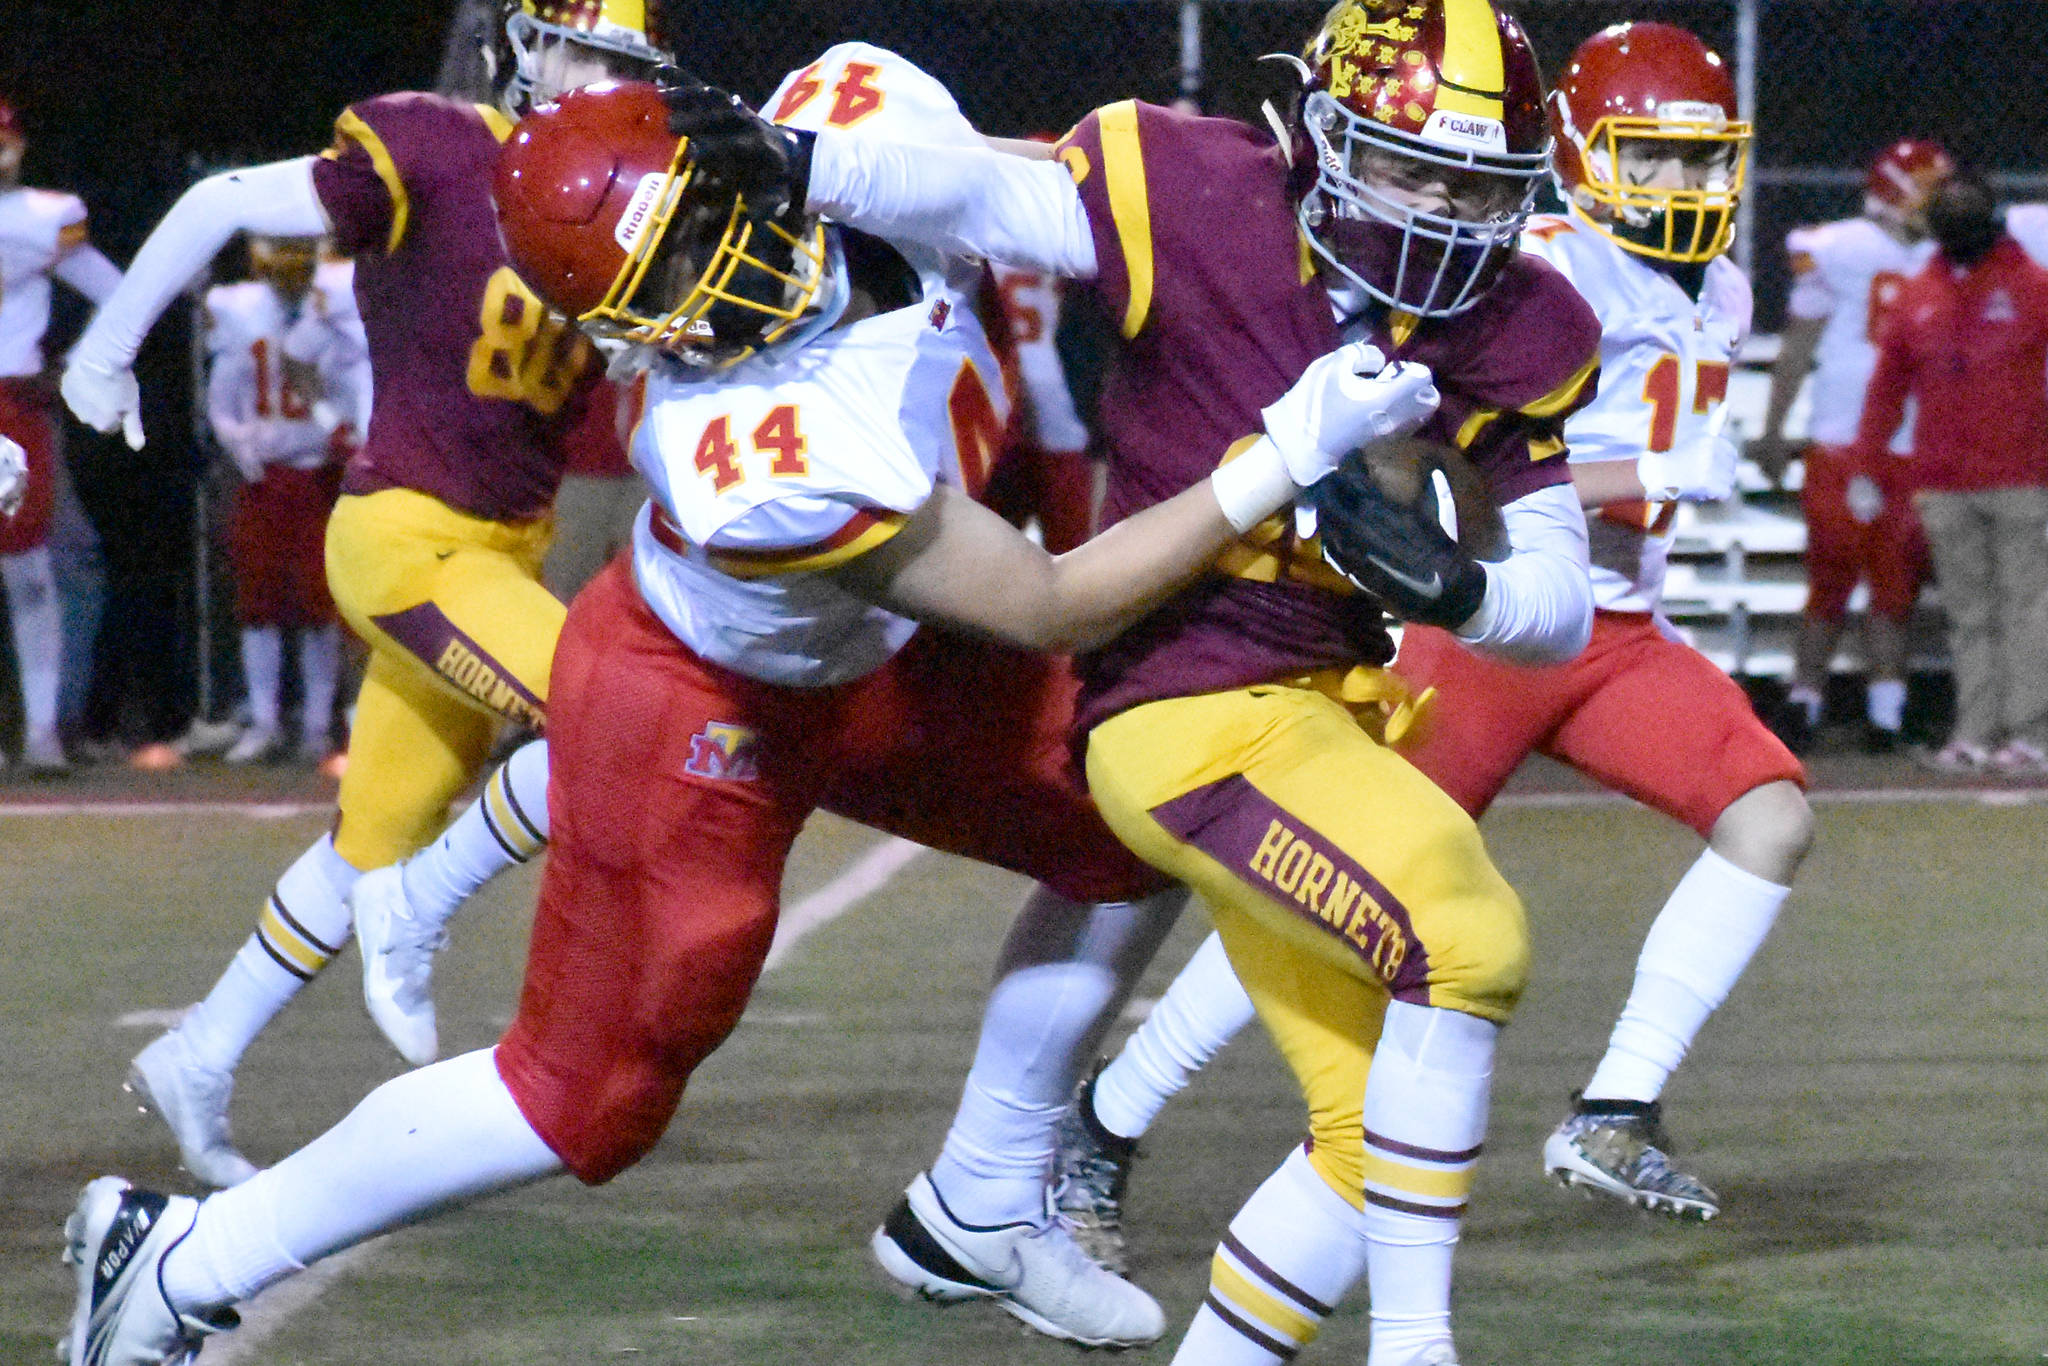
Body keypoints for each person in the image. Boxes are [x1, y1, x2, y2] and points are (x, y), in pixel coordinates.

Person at [58, 74, 1445, 1366]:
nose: (722, 262)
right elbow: (1051, 603)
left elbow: (1065, 182)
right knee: (585, 1098)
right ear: (629, 335)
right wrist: (1280, 458)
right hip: (698, 704)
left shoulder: (844, 122)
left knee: (1139, 803)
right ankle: (179, 1255)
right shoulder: (752, 452)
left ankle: (983, 1194)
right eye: (666, 275)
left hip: (881, 658)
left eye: (704, 214)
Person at [704, 6, 1604, 1360]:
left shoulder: (1521, 319)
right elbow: (985, 194)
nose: (1449, 211)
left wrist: (1461, 588)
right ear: (1319, 136)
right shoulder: (1196, 194)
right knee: (1465, 929)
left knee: (1384, 1133)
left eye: (1482, 184)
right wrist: (798, 162)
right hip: (1182, 705)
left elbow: (1559, 599)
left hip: (1319, 708)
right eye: (1418, 169)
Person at [1051, 20, 1814, 1270]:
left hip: (1616, 633)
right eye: (1651, 160)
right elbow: (1444, 469)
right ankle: (1108, 1117)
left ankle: (1614, 1105)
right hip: (1476, 637)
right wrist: (1642, 471)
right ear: (1572, 155)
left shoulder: (1716, 282)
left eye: (1698, 162)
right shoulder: (1525, 270)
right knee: (1341, 902)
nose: (1681, 190)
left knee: (1770, 814)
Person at [59, 0, 670, 1186]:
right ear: (522, 46)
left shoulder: (628, 187)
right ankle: (427, 905)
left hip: (502, 551)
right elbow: (222, 202)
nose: (594, 78)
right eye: (578, 49)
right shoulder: (437, 148)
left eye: (621, 62)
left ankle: (200, 1052)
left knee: (365, 843)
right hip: (404, 540)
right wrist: (105, 347)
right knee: (611, 718)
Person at [1755, 139, 1952, 754]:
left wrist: (1774, 426)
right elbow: (1799, 345)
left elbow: (1797, 348)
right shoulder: (1844, 248)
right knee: (1842, 582)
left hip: (1889, 442)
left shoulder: (1864, 249)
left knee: (1887, 588)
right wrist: (1773, 426)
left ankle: (1863, 713)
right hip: (1856, 440)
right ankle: (1828, 708)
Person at [1856, 170, 2048, 772]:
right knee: (1970, 615)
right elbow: (1888, 384)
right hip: (1943, 478)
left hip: (2022, 472)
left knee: (2027, 608)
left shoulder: (2034, 285)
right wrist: (1868, 462)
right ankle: (1975, 732)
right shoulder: (1920, 292)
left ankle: (2030, 735)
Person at [0, 95, 123, 772]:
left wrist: (78, 367)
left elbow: (116, 291)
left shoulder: (45, 218)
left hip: (11, 404)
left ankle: (43, 728)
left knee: (28, 571)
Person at [201, 236, 350, 766]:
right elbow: (222, 392)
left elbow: (352, 384)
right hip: (264, 476)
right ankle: (264, 719)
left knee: (320, 607)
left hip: (320, 474)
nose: (290, 279)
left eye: (299, 268)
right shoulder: (239, 309)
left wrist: (344, 437)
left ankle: (315, 723)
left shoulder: (337, 304)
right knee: (258, 604)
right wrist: (240, 444)